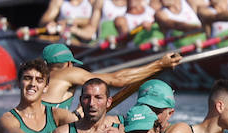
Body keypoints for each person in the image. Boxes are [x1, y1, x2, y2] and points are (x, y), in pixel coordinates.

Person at [38, 41, 180, 110]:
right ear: (69, 63)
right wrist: (160, 64)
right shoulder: (68, 72)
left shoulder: (37, 78)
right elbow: (118, 80)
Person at [0, 58, 78, 133]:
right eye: (27, 78)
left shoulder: (58, 115)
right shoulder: (7, 119)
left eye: (39, 80)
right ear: (19, 83)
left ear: (46, 87)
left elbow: (84, 131)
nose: (33, 84)